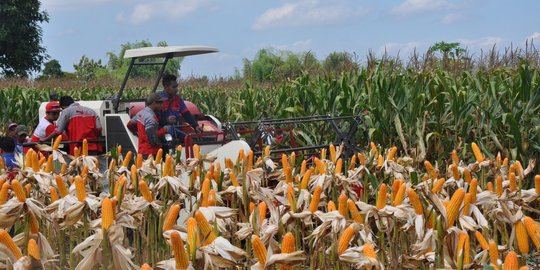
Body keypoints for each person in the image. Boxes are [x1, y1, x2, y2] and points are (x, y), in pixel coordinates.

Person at [127, 93, 170, 157]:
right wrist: (165, 130)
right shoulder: (151, 117)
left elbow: (129, 124)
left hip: (142, 151)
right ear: (154, 103)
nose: (161, 105)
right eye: (160, 103)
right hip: (151, 153)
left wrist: (136, 132)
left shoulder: (140, 113)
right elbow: (152, 137)